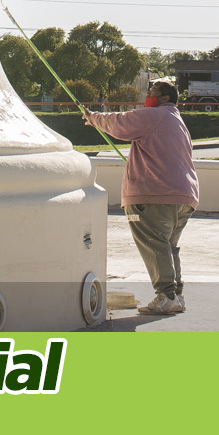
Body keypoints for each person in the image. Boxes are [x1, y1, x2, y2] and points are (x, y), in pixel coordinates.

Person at [86, 80, 198, 315]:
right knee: (168, 246)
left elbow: (120, 123)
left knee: (153, 243)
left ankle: (166, 296)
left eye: (153, 92)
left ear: (165, 98)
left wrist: (93, 118)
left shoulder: (154, 115)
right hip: (183, 196)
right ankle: (176, 296)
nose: (148, 94)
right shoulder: (177, 121)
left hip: (154, 195)